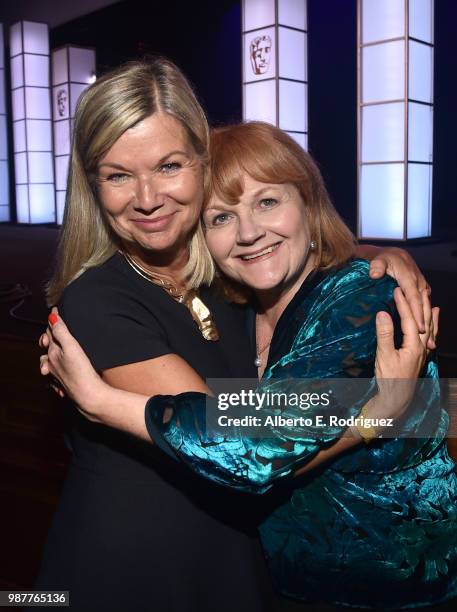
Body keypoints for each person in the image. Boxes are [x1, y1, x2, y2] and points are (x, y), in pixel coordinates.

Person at [38, 57, 435, 612]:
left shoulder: (226, 283)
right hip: (127, 569)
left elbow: (294, 250)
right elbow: (238, 444)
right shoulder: (97, 300)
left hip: (236, 556)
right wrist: (372, 418)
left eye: (169, 166)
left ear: (201, 164)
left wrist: (384, 256)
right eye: (118, 175)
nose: (147, 197)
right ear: (92, 186)